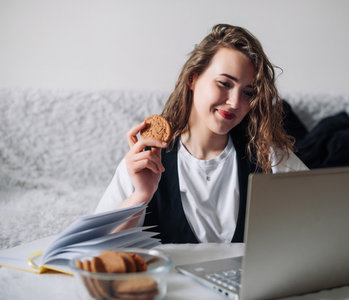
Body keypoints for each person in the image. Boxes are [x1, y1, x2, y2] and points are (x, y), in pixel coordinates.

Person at [95, 24, 308, 243]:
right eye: (224, 83)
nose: (235, 102)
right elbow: (93, 251)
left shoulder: (268, 155)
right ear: (192, 79)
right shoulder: (146, 159)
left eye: (248, 92)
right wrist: (141, 195)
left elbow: (323, 217)